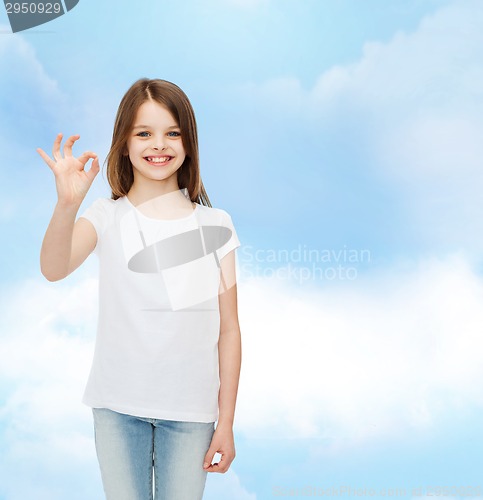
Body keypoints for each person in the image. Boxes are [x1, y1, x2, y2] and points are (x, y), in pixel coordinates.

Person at [38, 78, 242, 500]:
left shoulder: (215, 225)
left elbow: (229, 330)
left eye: (172, 133)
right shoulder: (106, 216)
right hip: (116, 408)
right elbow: (54, 269)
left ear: (188, 142)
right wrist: (66, 204)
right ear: (124, 143)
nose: (159, 145)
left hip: (191, 414)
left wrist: (226, 422)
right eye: (144, 133)